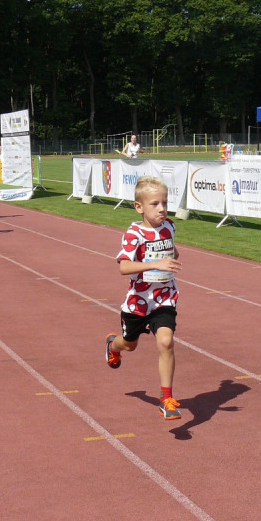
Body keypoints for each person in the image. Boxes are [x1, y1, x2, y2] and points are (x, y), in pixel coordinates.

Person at [104, 176, 183, 421]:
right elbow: (123, 267)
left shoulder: (169, 226)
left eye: (165, 203)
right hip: (138, 300)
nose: (161, 209)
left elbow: (172, 249)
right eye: (155, 204)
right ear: (139, 207)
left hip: (164, 297)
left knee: (166, 342)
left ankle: (166, 398)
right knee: (129, 344)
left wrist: (170, 258)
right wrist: (156, 262)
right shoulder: (134, 234)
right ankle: (112, 345)